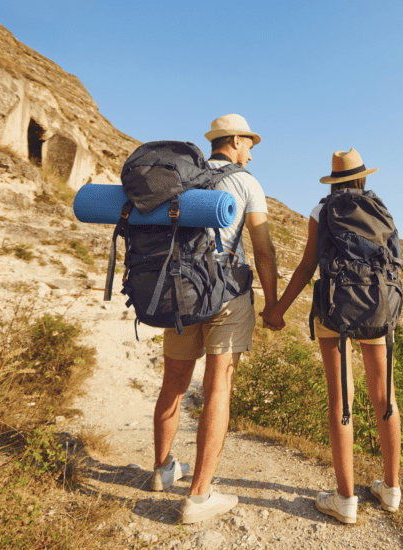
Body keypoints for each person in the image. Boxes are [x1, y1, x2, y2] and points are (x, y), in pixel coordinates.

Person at [152, 114, 282, 524]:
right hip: (225, 293)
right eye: (250, 144)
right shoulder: (246, 182)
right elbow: (263, 250)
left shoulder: (183, 176)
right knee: (217, 388)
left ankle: (161, 470)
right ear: (237, 141)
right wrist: (273, 304)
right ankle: (199, 496)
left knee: (172, 383)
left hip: (180, 290)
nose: (251, 152)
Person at [261, 148, 401, 525]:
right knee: (385, 396)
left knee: (342, 399)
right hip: (377, 306)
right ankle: (391, 490)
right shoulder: (381, 209)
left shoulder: (322, 211)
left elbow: (308, 266)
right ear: (363, 178)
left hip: (335, 309)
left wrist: (278, 310)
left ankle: (345, 499)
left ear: (334, 180)